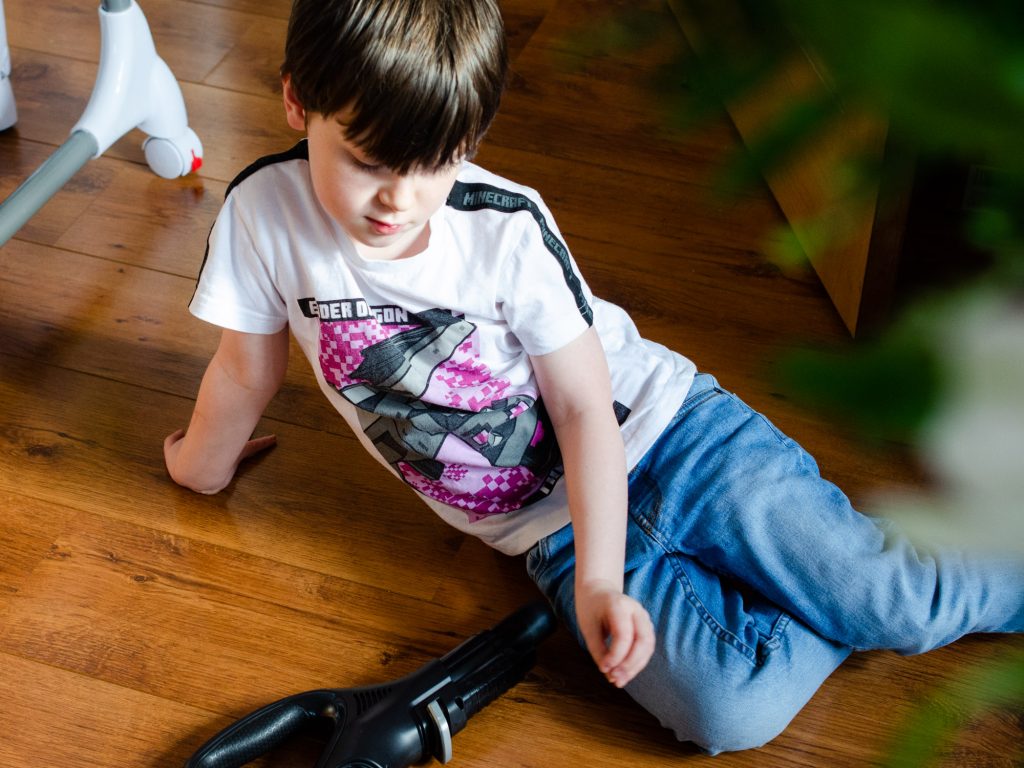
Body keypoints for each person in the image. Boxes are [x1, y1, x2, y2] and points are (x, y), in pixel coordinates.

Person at [164, 0, 1024, 754]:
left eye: (431, 164)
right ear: (296, 100)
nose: (397, 199)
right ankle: (828, 573)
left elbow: (582, 407)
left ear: (468, 140)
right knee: (729, 713)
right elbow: (247, 368)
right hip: (552, 532)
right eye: (366, 161)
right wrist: (199, 466)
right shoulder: (259, 215)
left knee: (900, 603)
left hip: (674, 438)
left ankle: (877, 572)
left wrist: (604, 585)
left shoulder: (504, 228)